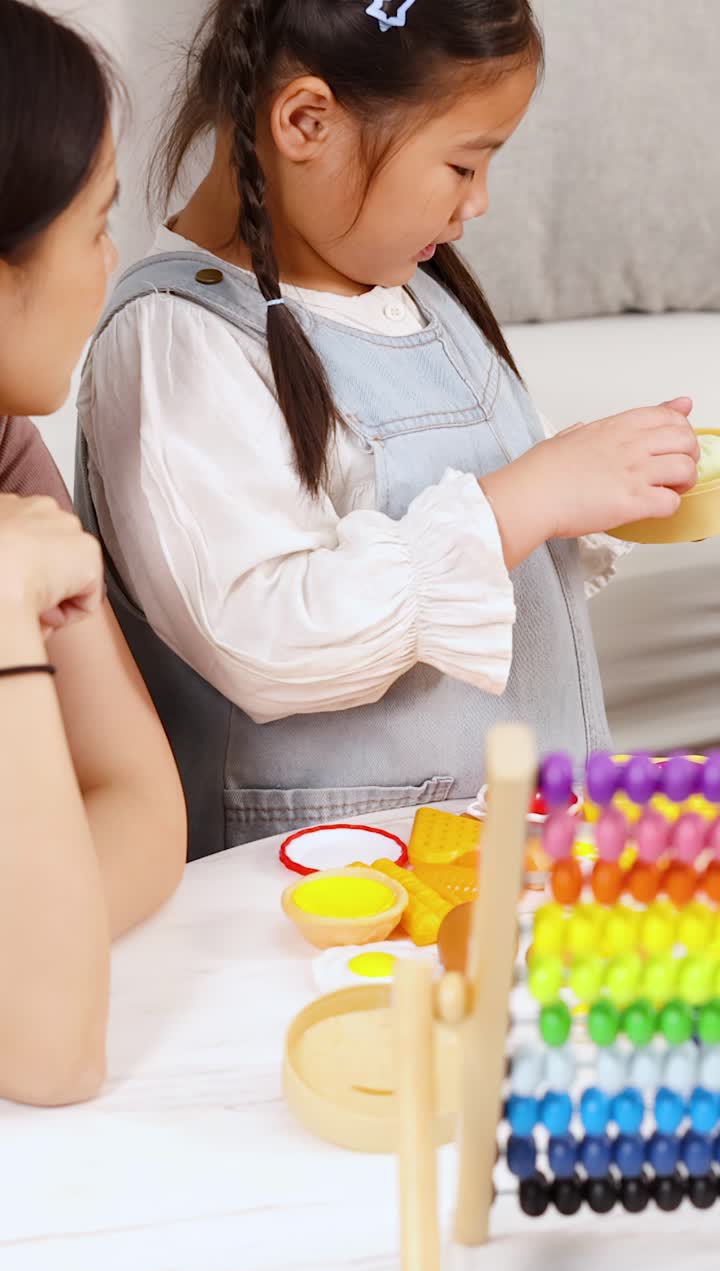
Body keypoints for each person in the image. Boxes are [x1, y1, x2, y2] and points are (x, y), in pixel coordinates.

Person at [75, 0, 698, 860]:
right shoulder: (175, 342)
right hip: (327, 897)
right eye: (464, 163)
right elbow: (264, 639)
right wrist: (527, 498)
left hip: (499, 871)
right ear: (306, 121)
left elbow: (498, 514)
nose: (478, 203)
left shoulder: (414, 291)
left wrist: (602, 483)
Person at [0, 0, 186, 1106]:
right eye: (99, 225)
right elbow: (49, 1050)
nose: (114, 265)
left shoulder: (9, 449)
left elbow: (141, 805)